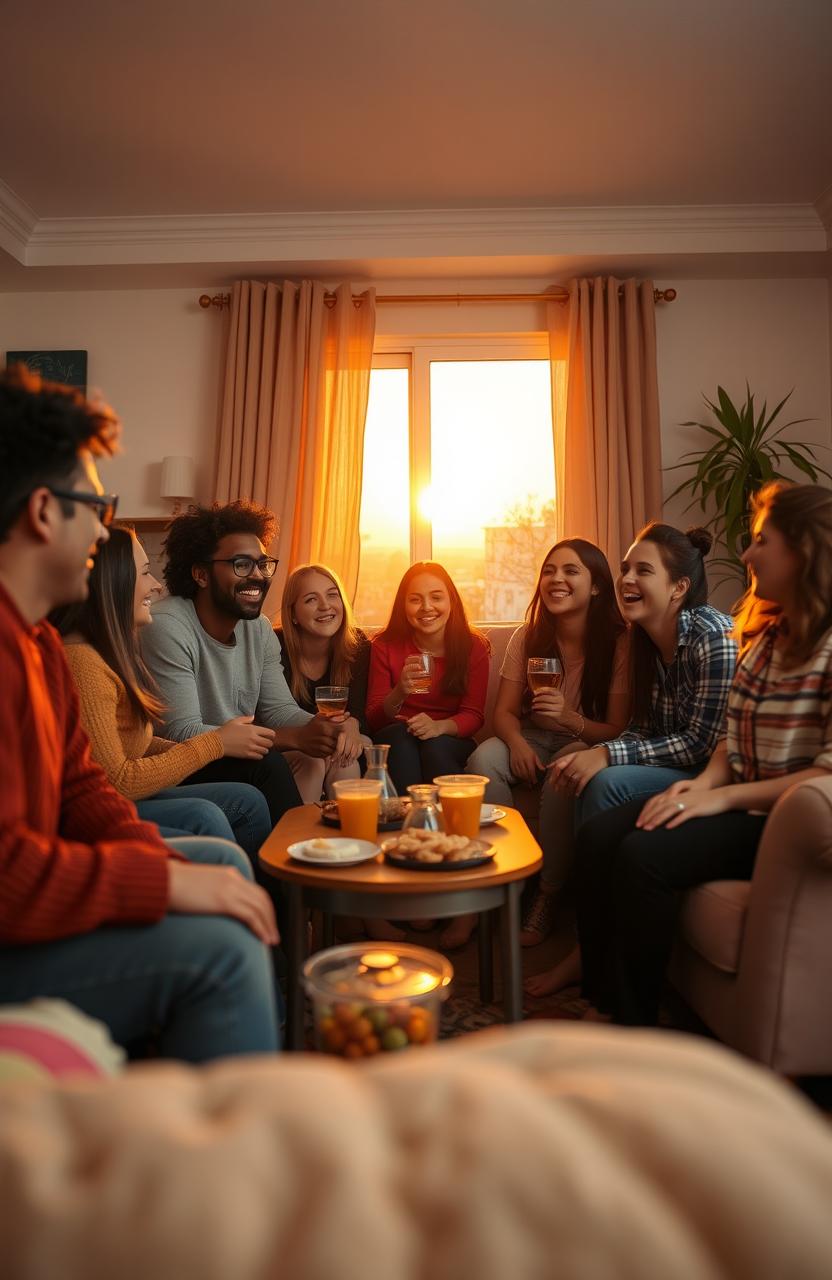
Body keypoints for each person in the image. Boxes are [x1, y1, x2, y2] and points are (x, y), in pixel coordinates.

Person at [0, 366, 279, 1061]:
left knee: (217, 856)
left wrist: (172, 866)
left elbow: (85, 793)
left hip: (33, 904)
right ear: (42, 512)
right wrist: (162, 881)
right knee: (222, 954)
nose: (107, 530)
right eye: (95, 507)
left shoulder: (35, 641)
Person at [574, 482, 832, 1026]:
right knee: (599, 835)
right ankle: (598, 994)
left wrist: (720, 797)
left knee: (642, 858)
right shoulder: (766, 639)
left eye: (762, 540)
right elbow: (728, 742)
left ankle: (635, 1023)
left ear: (803, 551)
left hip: (782, 819)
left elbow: (824, 774)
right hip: (736, 796)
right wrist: (703, 785)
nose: (746, 555)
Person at [527, 523, 737, 998]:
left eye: (643, 570)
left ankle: (589, 951)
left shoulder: (714, 637)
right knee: (583, 769)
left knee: (606, 782)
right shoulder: (642, 640)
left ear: (679, 586)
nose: (626, 580)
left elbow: (702, 743)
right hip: (675, 760)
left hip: (710, 773)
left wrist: (606, 753)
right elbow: (644, 728)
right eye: (625, 569)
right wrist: (597, 751)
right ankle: (590, 937)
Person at [53, 525, 272, 856]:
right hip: (96, 806)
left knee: (248, 799)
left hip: (119, 791)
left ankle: (271, 902)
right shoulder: (83, 664)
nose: (155, 586)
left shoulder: (107, 654)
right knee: (206, 815)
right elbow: (118, 781)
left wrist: (205, 747)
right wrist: (213, 744)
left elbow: (131, 743)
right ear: (112, 584)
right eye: (144, 573)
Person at [467, 539, 630, 948]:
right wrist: (517, 744)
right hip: (533, 736)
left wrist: (570, 720)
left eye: (571, 571)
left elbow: (616, 730)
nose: (556, 579)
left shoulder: (619, 643)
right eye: (549, 570)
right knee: (483, 758)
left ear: (596, 586)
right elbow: (503, 712)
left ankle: (548, 893)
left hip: (585, 740)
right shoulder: (529, 637)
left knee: (566, 769)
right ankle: (504, 879)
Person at [140, 501, 347, 817]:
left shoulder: (259, 629)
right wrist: (290, 738)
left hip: (230, 757)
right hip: (174, 763)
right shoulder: (167, 624)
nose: (259, 576)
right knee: (267, 764)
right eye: (241, 564)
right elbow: (179, 732)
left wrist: (327, 729)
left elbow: (278, 710)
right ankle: (294, 858)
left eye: (263, 565)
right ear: (201, 574)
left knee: (325, 754)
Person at [366, 562, 490, 792]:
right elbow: (374, 718)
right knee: (401, 740)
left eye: (436, 597)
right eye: (415, 600)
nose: (426, 607)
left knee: (435, 747)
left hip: (448, 736)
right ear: (403, 606)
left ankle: (452, 822)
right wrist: (400, 691)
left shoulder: (474, 647)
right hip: (398, 734)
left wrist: (438, 727)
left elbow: (473, 715)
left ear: (451, 601)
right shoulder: (384, 645)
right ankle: (408, 821)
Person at [275, 562, 371, 796]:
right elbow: (271, 719)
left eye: (332, 595)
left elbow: (359, 713)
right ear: (293, 614)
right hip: (289, 743)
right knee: (314, 762)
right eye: (311, 599)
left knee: (344, 758)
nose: (326, 606)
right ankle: (301, 831)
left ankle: (349, 828)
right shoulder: (274, 645)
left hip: (336, 742)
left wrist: (351, 725)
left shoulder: (358, 646)